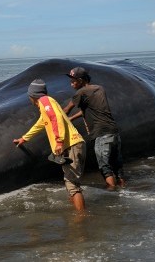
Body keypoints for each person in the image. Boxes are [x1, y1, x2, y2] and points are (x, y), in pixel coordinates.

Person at [13, 79, 87, 211]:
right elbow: (40, 124)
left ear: (32, 95)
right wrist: (24, 138)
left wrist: (59, 141)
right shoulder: (45, 105)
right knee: (70, 182)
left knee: (72, 184)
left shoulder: (45, 101)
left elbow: (55, 118)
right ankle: (77, 212)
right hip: (72, 145)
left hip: (71, 145)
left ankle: (81, 219)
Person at [63, 67, 126, 189]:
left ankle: (112, 195)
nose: (71, 84)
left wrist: (52, 118)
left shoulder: (80, 93)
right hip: (113, 132)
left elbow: (66, 110)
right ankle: (123, 189)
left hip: (101, 134)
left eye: (73, 81)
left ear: (81, 80)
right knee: (117, 165)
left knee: (104, 167)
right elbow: (92, 109)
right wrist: (72, 119)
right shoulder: (99, 89)